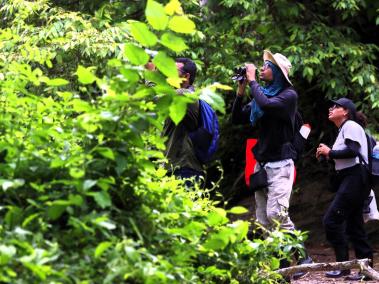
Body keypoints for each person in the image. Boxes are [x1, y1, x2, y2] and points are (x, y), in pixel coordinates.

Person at [231, 50, 312, 279]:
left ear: (276, 72)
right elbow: (236, 119)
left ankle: (304, 256)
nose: (262, 69)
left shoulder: (288, 96)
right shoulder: (263, 96)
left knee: (277, 213)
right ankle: (281, 267)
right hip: (262, 164)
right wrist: (241, 89)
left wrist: (253, 80)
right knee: (263, 220)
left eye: (266, 66)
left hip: (281, 164)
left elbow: (267, 104)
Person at [316, 98, 373, 280]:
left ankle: (344, 266)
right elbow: (345, 156)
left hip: (356, 178)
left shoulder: (351, 126)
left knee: (331, 221)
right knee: (355, 226)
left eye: (336, 106)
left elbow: (353, 151)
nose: (331, 109)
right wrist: (328, 155)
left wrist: (329, 152)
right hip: (352, 178)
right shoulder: (343, 130)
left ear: (346, 111)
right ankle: (366, 271)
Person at [162, 58, 204, 182]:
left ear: (186, 76)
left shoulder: (184, 95)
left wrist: (150, 74)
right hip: (175, 165)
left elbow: (151, 98)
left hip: (184, 167)